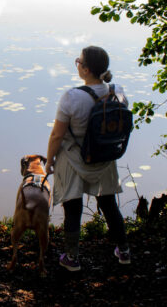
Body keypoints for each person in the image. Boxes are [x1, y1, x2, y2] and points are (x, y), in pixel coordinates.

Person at [45, 45, 130, 272]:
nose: (77, 64)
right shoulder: (117, 91)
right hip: (105, 158)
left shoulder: (71, 97)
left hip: (75, 159)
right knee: (110, 205)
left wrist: (49, 162)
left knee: (73, 209)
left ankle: (72, 258)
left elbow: (57, 135)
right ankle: (124, 251)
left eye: (78, 61)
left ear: (85, 69)